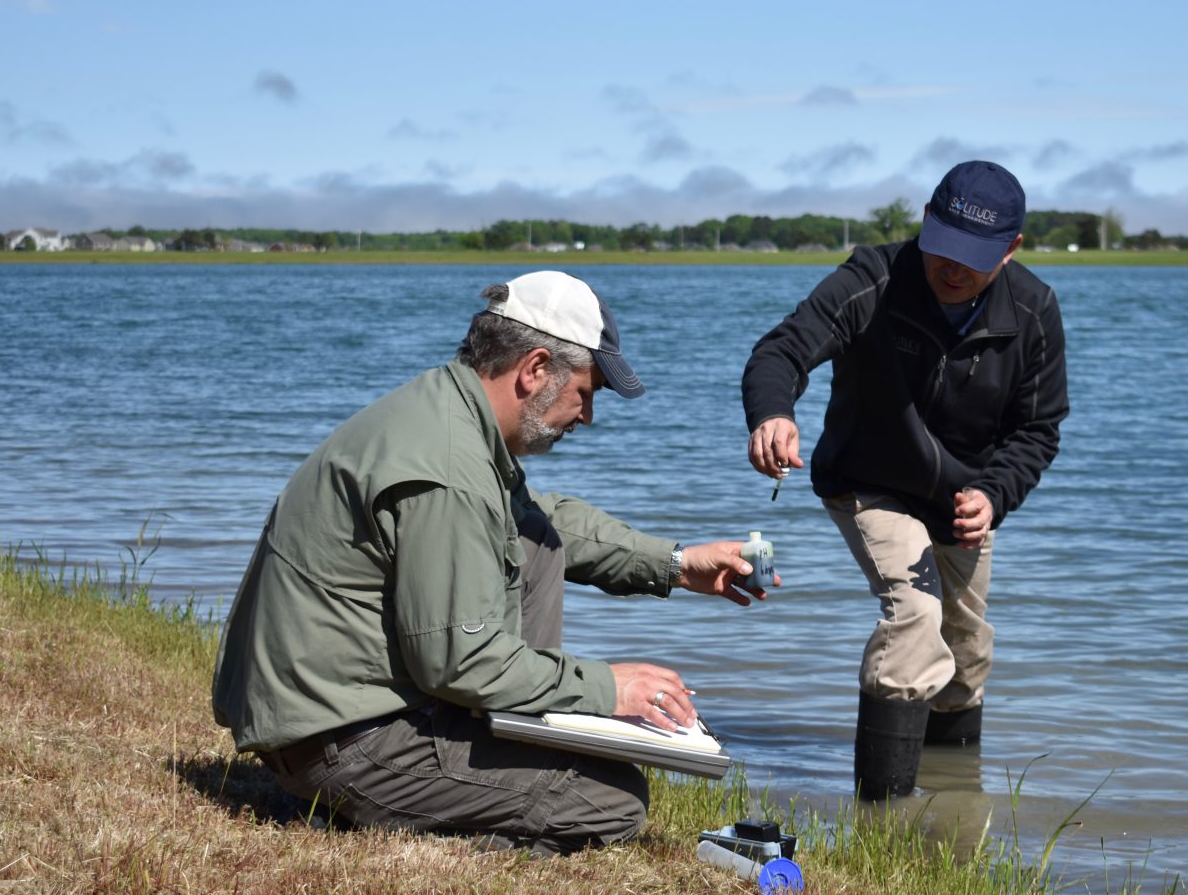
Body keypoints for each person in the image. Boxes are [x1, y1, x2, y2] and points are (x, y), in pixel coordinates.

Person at [213, 270, 770, 854]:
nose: (586, 418)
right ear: (534, 370)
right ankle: (403, 825)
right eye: (587, 392)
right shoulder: (450, 468)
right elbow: (460, 662)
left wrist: (678, 563)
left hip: (329, 714)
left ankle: (496, 746)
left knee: (536, 540)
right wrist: (609, 689)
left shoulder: (447, 410)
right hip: (343, 743)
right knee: (611, 801)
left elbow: (542, 523)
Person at [741, 160, 1068, 799]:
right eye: (941, 247)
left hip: (965, 497)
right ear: (925, 220)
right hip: (871, 481)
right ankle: (882, 817)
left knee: (966, 648)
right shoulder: (872, 279)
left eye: (973, 257)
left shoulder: (1034, 310)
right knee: (916, 614)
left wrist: (994, 493)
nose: (951, 268)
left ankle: (951, 809)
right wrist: (774, 413)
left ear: (1012, 250)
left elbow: (1039, 429)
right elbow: (781, 351)